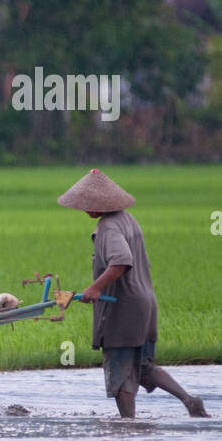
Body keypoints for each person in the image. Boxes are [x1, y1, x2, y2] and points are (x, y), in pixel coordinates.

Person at [57, 169, 209, 418]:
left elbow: (122, 260)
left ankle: (127, 425)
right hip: (145, 305)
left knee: (119, 371)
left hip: (123, 309)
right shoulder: (127, 219)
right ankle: (190, 401)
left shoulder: (108, 228)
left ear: (97, 204)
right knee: (143, 366)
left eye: (86, 204)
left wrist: (95, 288)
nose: (84, 209)